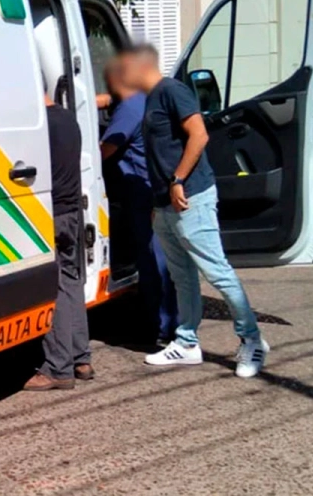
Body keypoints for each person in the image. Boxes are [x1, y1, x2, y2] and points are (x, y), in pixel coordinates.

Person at [119, 44, 269, 378]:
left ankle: (252, 340)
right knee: (181, 275)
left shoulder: (173, 90)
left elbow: (198, 136)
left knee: (217, 272)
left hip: (190, 197)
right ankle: (186, 343)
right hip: (166, 204)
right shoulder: (150, 98)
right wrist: (160, 202)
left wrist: (178, 180)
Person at [99, 60, 179, 345]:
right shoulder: (141, 100)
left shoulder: (128, 109)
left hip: (141, 193)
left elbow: (105, 151)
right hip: (151, 188)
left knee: (152, 261)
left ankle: (162, 330)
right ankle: (166, 324)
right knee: (161, 259)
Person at [25, 85, 94, 390]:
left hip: (50, 214)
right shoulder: (69, 120)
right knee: (71, 282)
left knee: (53, 289)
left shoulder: (39, 126)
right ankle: (82, 359)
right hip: (72, 212)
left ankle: (58, 368)